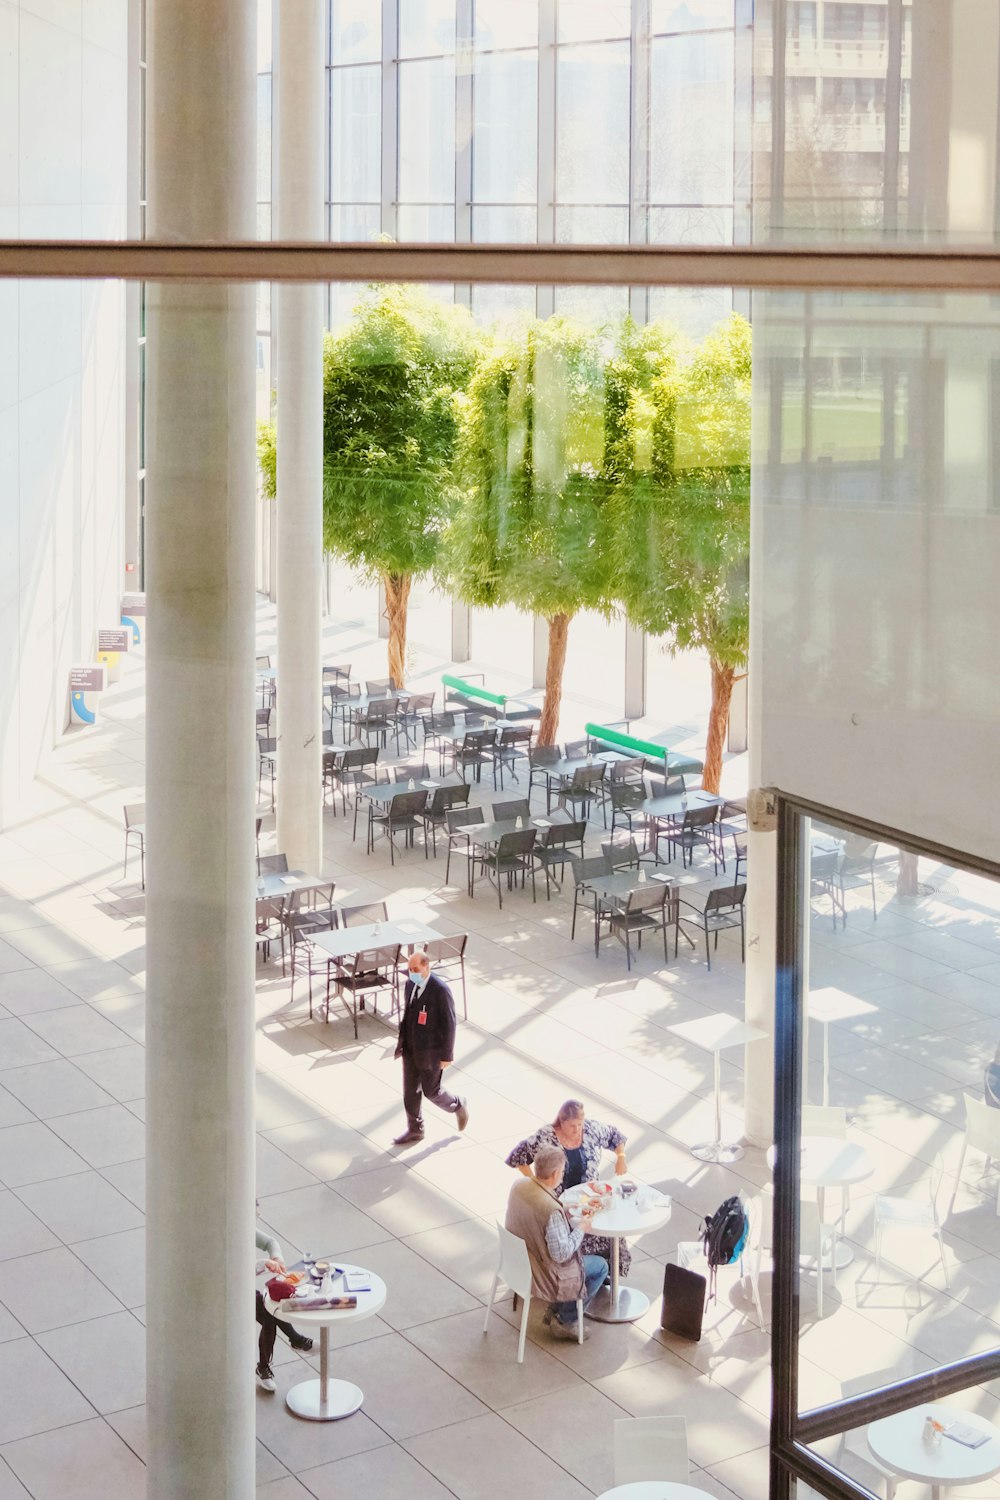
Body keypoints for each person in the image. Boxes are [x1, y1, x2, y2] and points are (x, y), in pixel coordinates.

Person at [506, 1099, 631, 1277]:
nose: (577, 1129)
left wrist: (621, 1156)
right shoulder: (545, 1136)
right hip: (560, 1204)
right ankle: (579, 1275)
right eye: (572, 1125)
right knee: (574, 1236)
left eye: (580, 1124)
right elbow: (518, 1156)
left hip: (589, 1199)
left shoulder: (591, 1129)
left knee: (610, 1232)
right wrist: (538, 1184)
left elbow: (615, 1135)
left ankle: (601, 1275)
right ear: (561, 1122)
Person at [504, 1143, 608, 1340]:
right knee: (600, 1266)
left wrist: (572, 1207)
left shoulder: (520, 1186)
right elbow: (561, 1253)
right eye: (561, 1172)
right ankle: (566, 1321)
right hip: (541, 1274)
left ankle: (556, 1311)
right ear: (554, 1174)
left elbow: (540, 1212)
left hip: (517, 1262)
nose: (562, 1175)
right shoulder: (551, 1211)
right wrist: (581, 1228)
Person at [393, 949, 469, 1146]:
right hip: (410, 1048)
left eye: (416, 969)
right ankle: (415, 1129)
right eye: (409, 969)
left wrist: (447, 1055)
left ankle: (457, 1104)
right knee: (410, 1091)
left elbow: (450, 1024)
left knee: (431, 1090)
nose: (412, 973)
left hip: (430, 1052)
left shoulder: (440, 991)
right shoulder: (410, 984)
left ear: (427, 966)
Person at [255, 1211, 313, 1392]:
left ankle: (295, 1342)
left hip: (238, 1288)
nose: (256, 1217)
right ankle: (296, 1340)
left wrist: (276, 1258)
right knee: (268, 1313)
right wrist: (263, 1264)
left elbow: (270, 1242)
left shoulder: (244, 1228)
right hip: (222, 1293)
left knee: (269, 1313)